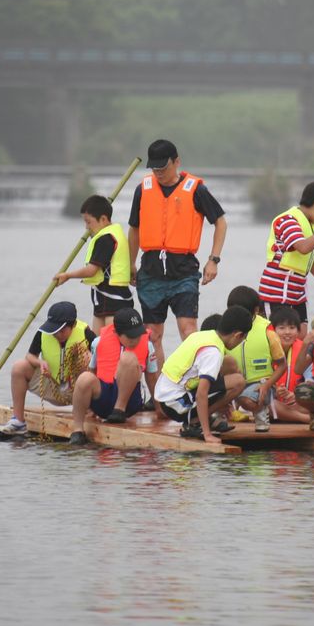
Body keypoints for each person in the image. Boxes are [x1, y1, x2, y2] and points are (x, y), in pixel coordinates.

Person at [128, 139, 227, 368]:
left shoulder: (196, 189)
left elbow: (220, 222)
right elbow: (134, 229)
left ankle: (189, 384)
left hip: (183, 271)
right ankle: (160, 392)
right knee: (152, 335)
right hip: (151, 271)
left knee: (189, 330)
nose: (159, 173)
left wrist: (213, 260)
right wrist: (131, 264)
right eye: (155, 169)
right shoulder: (143, 189)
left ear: (177, 162)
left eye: (163, 168)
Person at [153, 305, 250, 444]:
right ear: (238, 335)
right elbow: (201, 394)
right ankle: (195, 422)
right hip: (173, 404)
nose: (241, 342)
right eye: (243, 339)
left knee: (228, 366)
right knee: (238, 382)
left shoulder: (205, 335)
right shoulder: (213, 352)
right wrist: (207, 434)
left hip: (164, 395)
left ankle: (200, 419)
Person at [258, 180, 314, 335]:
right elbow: (303, 248)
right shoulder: (288, 220)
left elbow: (313, 263)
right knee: (279, 338)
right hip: (277, 292)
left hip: (298, 293)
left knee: (301, 337)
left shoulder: (312, 227)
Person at [0, 301, 94, 435]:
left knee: (88, 358)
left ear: (73, 325)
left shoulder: (86, 333)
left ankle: (91, 408)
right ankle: (18, 421)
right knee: (19, 367)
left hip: (78, 391)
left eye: (61, 331)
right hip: (53, 386)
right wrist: (40, 363)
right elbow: (30, 355)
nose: (57, 335)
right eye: (53, 330)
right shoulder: (43, 333)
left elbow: (101, 362)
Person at [67, 307, 158, 445]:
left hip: (130, 402)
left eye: (138, 334)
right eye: (130, 336)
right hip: (104, 397)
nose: (135, 339)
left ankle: (119, 410)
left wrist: (159, 408)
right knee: (85, 377)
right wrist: (90, 407)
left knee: (128, 358)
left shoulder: (148, 345)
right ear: (117, 333)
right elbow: (93, 371)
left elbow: (152, 379)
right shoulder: (98, 342)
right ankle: (78, 430)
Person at [53, 194, 134, 332]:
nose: (86, 227)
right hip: (105, 298)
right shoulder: (115, 232)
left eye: (88, 222)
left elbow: (91, 270)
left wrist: (68, 275)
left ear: (103, 219)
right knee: (97, 345)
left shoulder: (106, 238)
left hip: (112, 299)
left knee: (110, 346)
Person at [223, 286, 286, 432]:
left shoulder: (267, 331)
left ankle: (260, 411)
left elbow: (282, 365)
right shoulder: (225, 327)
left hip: (259, 384)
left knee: (246, 399)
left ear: (256, 310)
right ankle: (219, 417)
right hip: (233, 382)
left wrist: (267, 385)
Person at [269, 304, 312, 424]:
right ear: (273, 330)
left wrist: (295, 395)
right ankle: (306, 419)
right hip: (276, 404)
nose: (287, 332)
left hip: (297, 403)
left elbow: (311, 380)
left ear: (298, 331)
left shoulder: (306, 351)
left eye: (292, 328)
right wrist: (274, 391)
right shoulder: (265, 351)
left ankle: (290, 414)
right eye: (282, 328)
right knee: (267, 404)